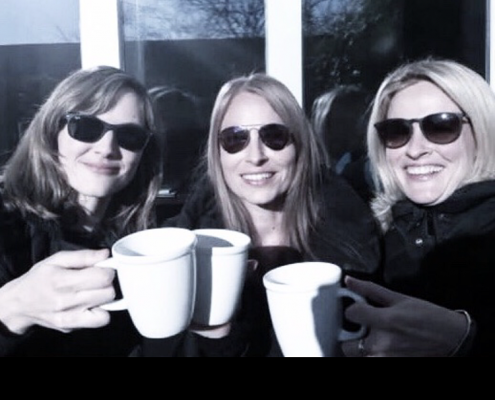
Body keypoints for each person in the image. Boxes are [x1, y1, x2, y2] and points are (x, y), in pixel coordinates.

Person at [141, 73, 381, 357]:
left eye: (274, 136)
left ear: (300, 146)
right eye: (235, 139)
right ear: (218, 154)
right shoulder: (180, 253)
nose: (255, 156)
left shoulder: (352, 238)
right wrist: (219, 338)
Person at [0, 66, 162, 357]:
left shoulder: (143, 240)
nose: (106, 148)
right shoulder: (6, 224)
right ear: (52, 133)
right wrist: (11, 309)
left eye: (129, 136)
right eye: (85, 127)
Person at [343, 59, 495, 357]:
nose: (414, 150)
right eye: (396, 131)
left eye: (440, 126)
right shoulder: (372, 235)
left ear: (481, 130)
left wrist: (466, 339)